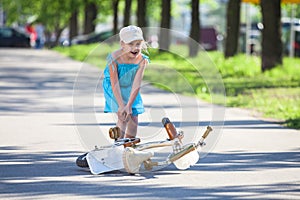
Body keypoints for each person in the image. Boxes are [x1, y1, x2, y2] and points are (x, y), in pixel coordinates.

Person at [102, 25, 149, 139]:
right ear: (122, 44)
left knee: (133, 117)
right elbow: (114, 83)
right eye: (131, 44)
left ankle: (129, 147)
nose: (135, 48)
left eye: (138, 44)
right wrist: (122, 106)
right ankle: (118, 146)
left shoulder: (142, 60)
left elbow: (137, 83)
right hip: (114, 88)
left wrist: (129, 105)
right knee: (123, 116)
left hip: (131, 87)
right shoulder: (114, 58)